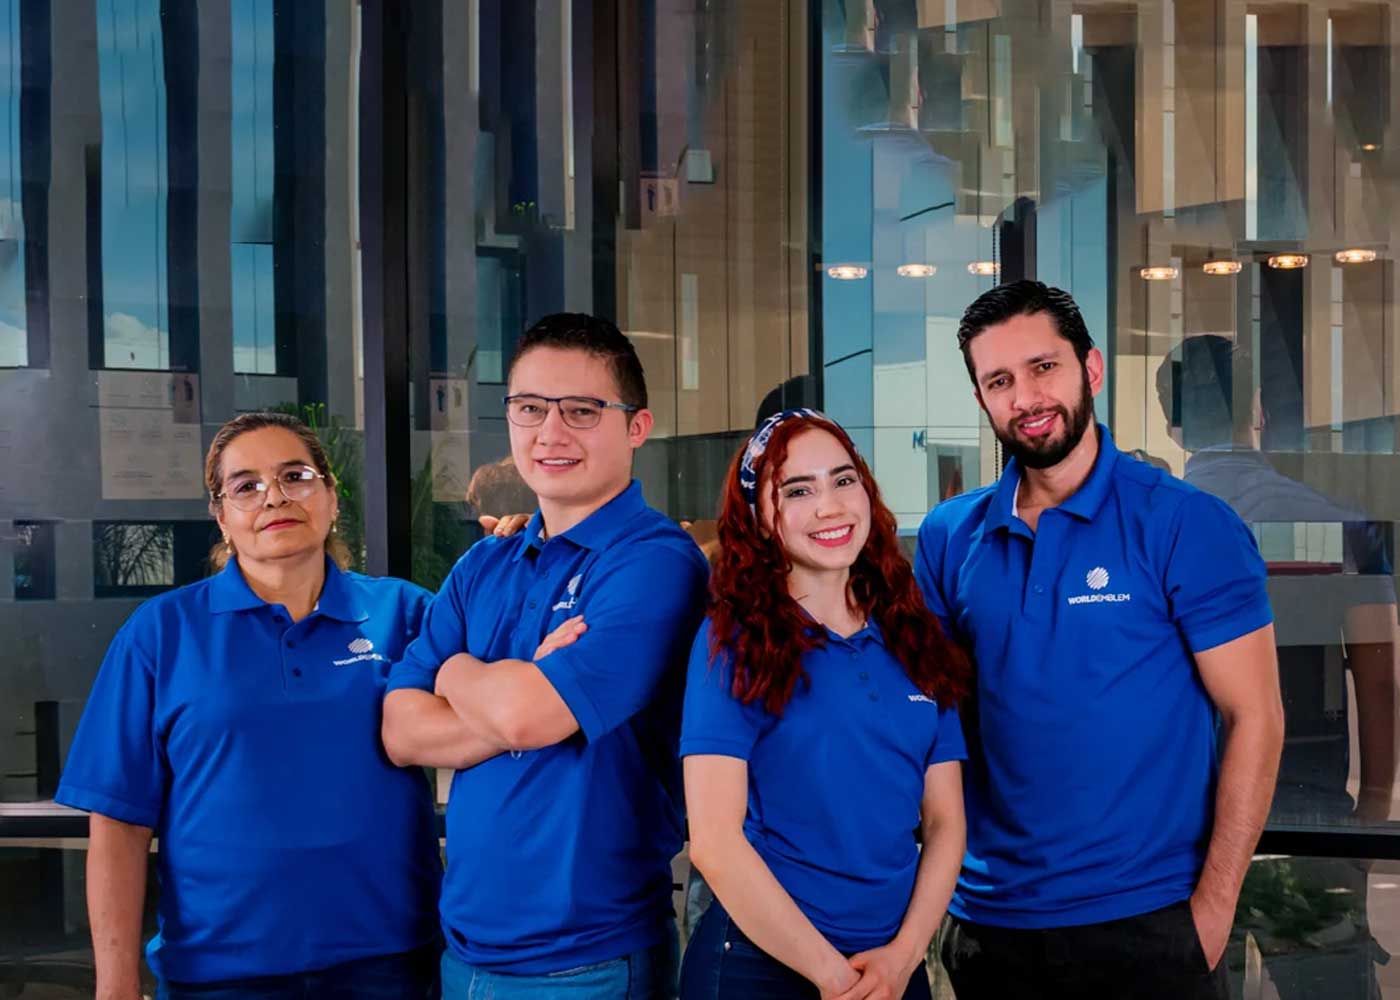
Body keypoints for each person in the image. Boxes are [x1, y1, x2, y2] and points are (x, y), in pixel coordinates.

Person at [916, 281, 1285, 998]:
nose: (1024, 397)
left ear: (1091, 369)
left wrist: (1211, 913)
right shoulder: (946, 536)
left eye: (1042, 368)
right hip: (989, 927)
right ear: (983, 400)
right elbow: (934, 721)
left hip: (1148, 923)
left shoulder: (1185, 524)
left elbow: (1258, 719)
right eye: (999, 381)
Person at [55, 411, 442, 1000]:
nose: (275, 498)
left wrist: (518, 558)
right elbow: (118, 825)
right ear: (222, 516)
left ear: (332, 497)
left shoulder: (407, 615)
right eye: (246, 486)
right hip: (219, 975)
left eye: (296, 476)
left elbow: (503, 679)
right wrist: (115, 984)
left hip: (391, 964)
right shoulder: (161, 633)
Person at [381, 313, 710, 999]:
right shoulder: (484, 563)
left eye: (582, 410)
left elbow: (531, 720)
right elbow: (401, 731)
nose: (550, 432)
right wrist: (509, 693)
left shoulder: (654, 564)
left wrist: (455, 671)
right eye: (529, 408)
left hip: (589, 961)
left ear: (636, 427)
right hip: (464, 954)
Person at [678, 410, 970, 1000]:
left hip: (892, 967)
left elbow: (945, 823)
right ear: (760, 518)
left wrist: (902, 960)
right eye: (797, 491)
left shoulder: (914, 635)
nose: (830, 507)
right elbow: (714, 841)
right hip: (761, 967)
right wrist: (835, 980)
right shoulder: (732, 642)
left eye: (843, 480)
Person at [1156, 334, 1398, 998]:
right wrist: (1374, 805)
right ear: (1259, 411)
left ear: (1173, 427)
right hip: (1314, 811)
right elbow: (1380, 677)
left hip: (1188, 830)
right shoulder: (1344, 523)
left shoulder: (1147, 533)